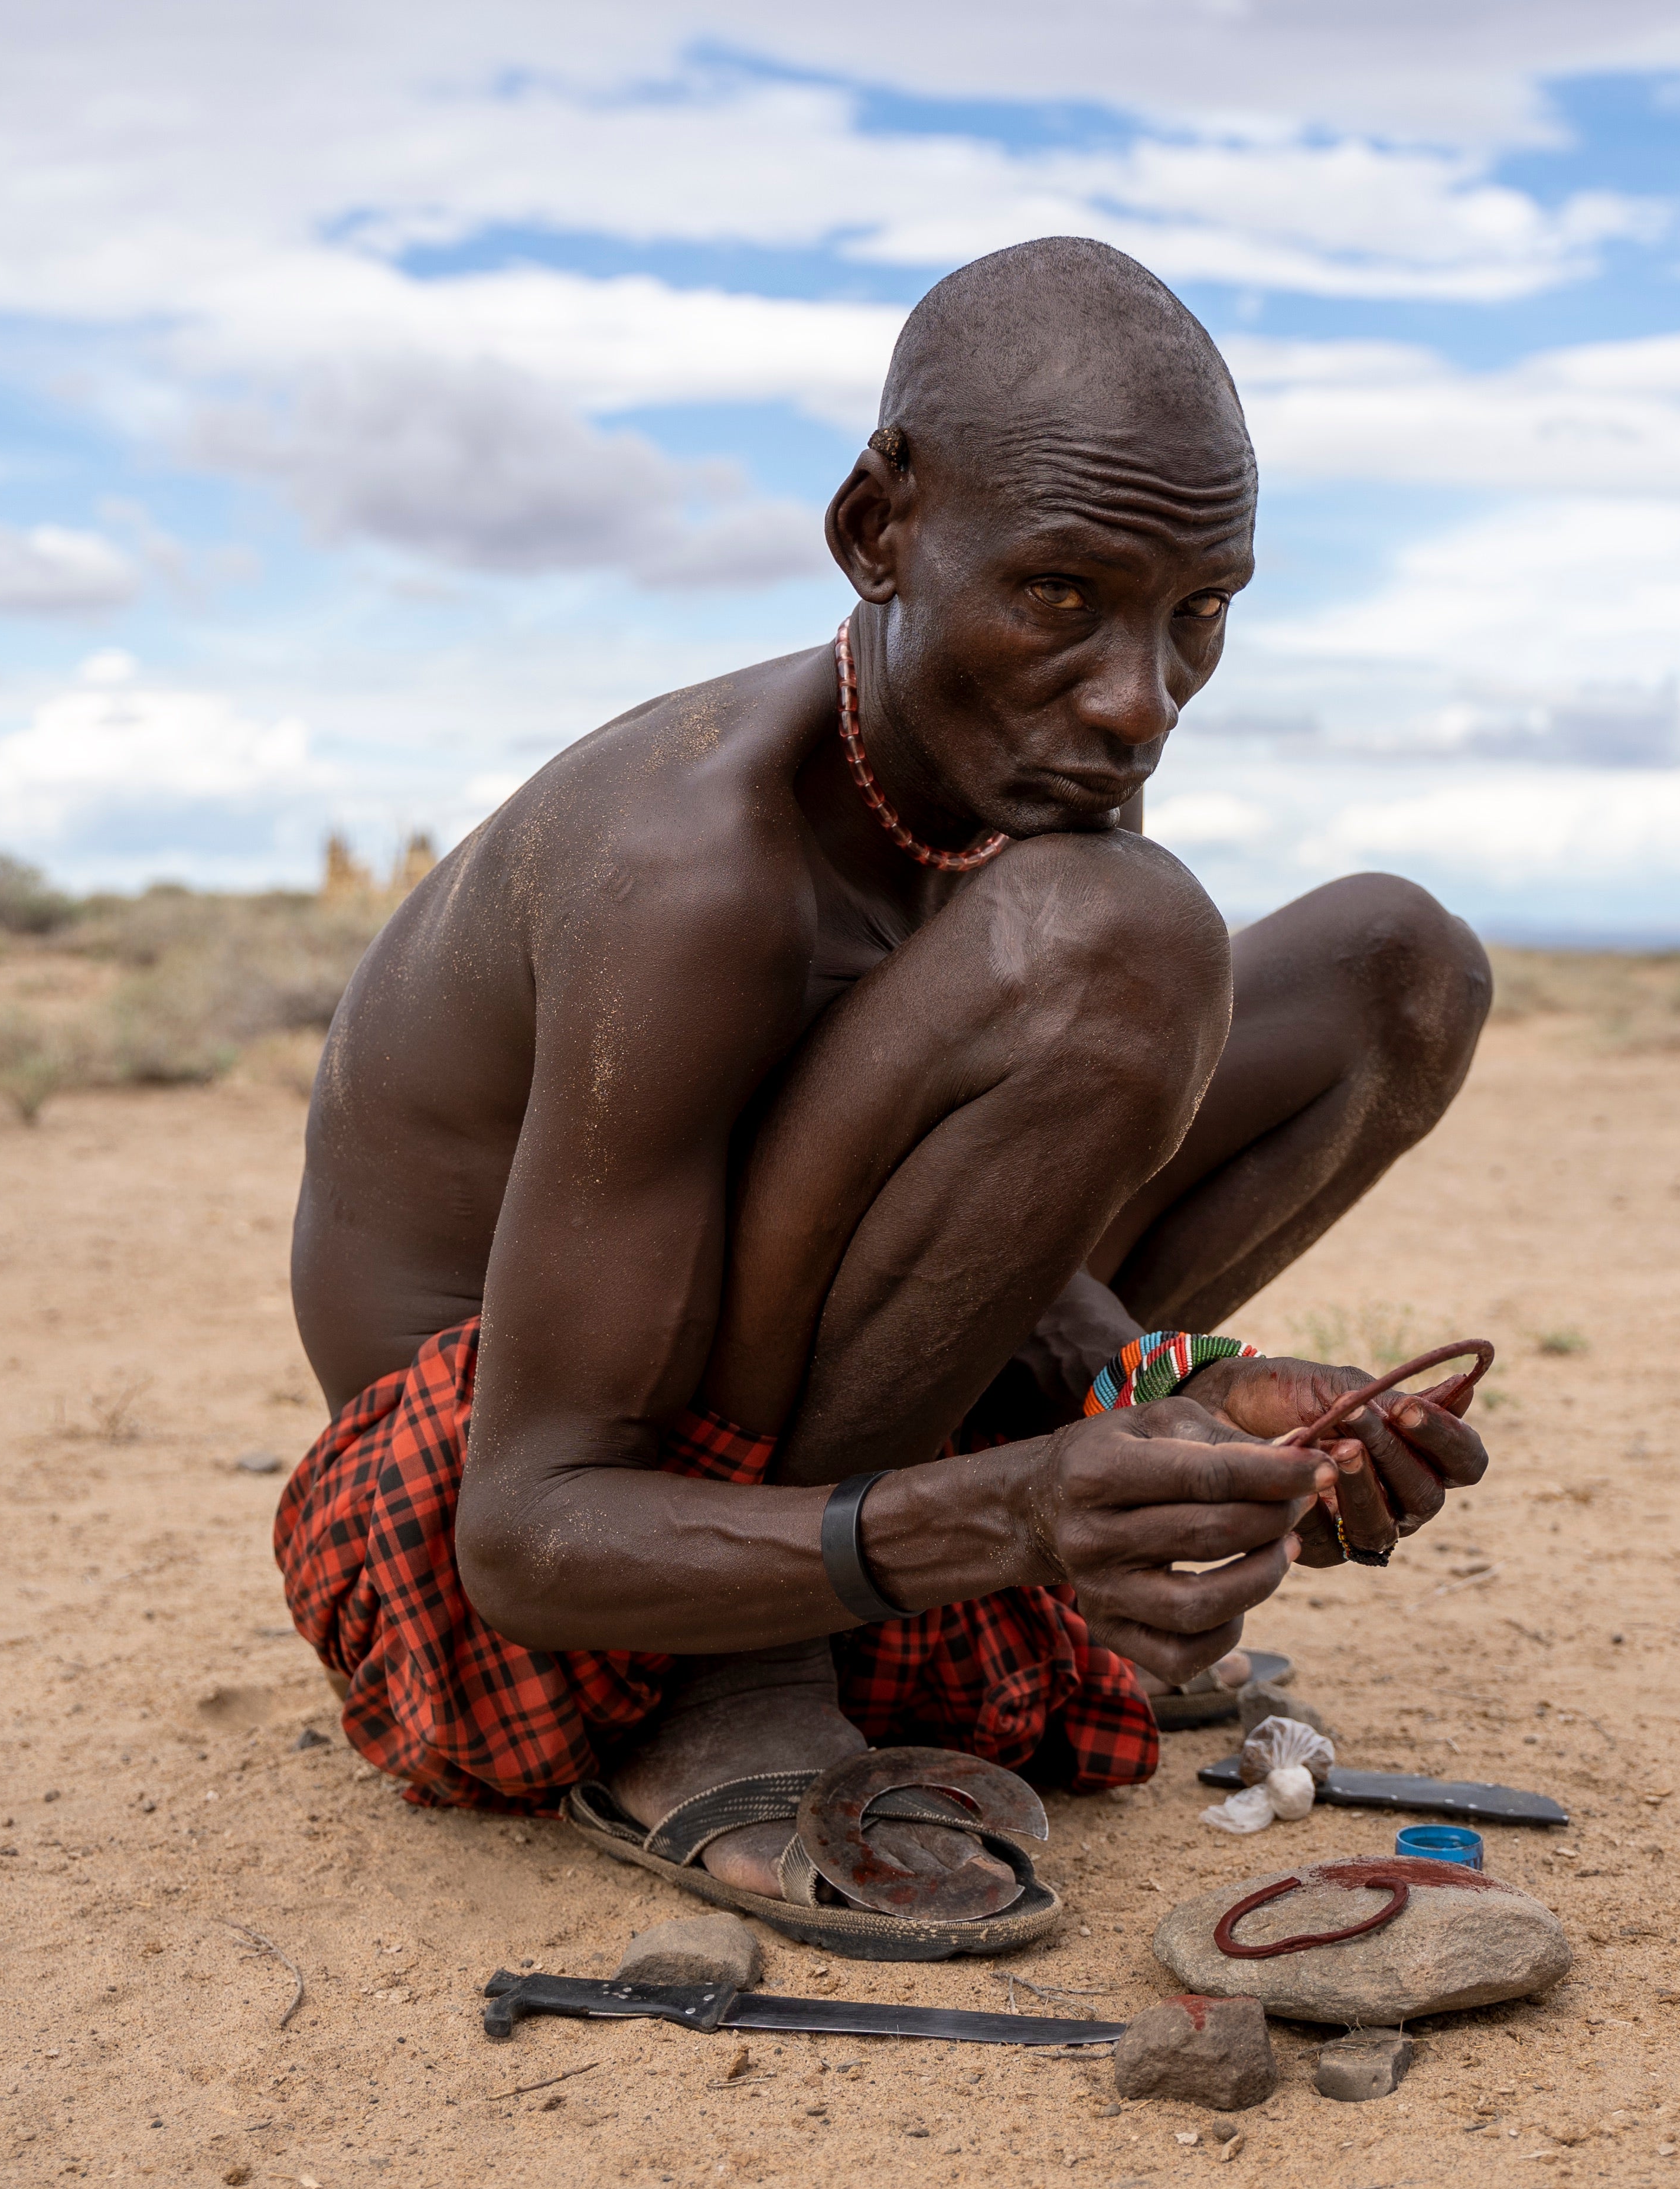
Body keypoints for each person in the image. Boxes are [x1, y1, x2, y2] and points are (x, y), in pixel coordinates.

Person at [276, 236, 1494, 1957]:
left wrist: (1175, 1393)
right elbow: (526, 1530)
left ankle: (886, 1576)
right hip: (514, 1500)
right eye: (1064, 594)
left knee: (1400, 967)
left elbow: (975, 1187)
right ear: (878, 532)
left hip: (780, 1381)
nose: (1141, 700)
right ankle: (741, 1677)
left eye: (1196, 615)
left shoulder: (1027, 767)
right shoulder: (693, 868)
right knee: (1126, 939)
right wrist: (1014, 1510)